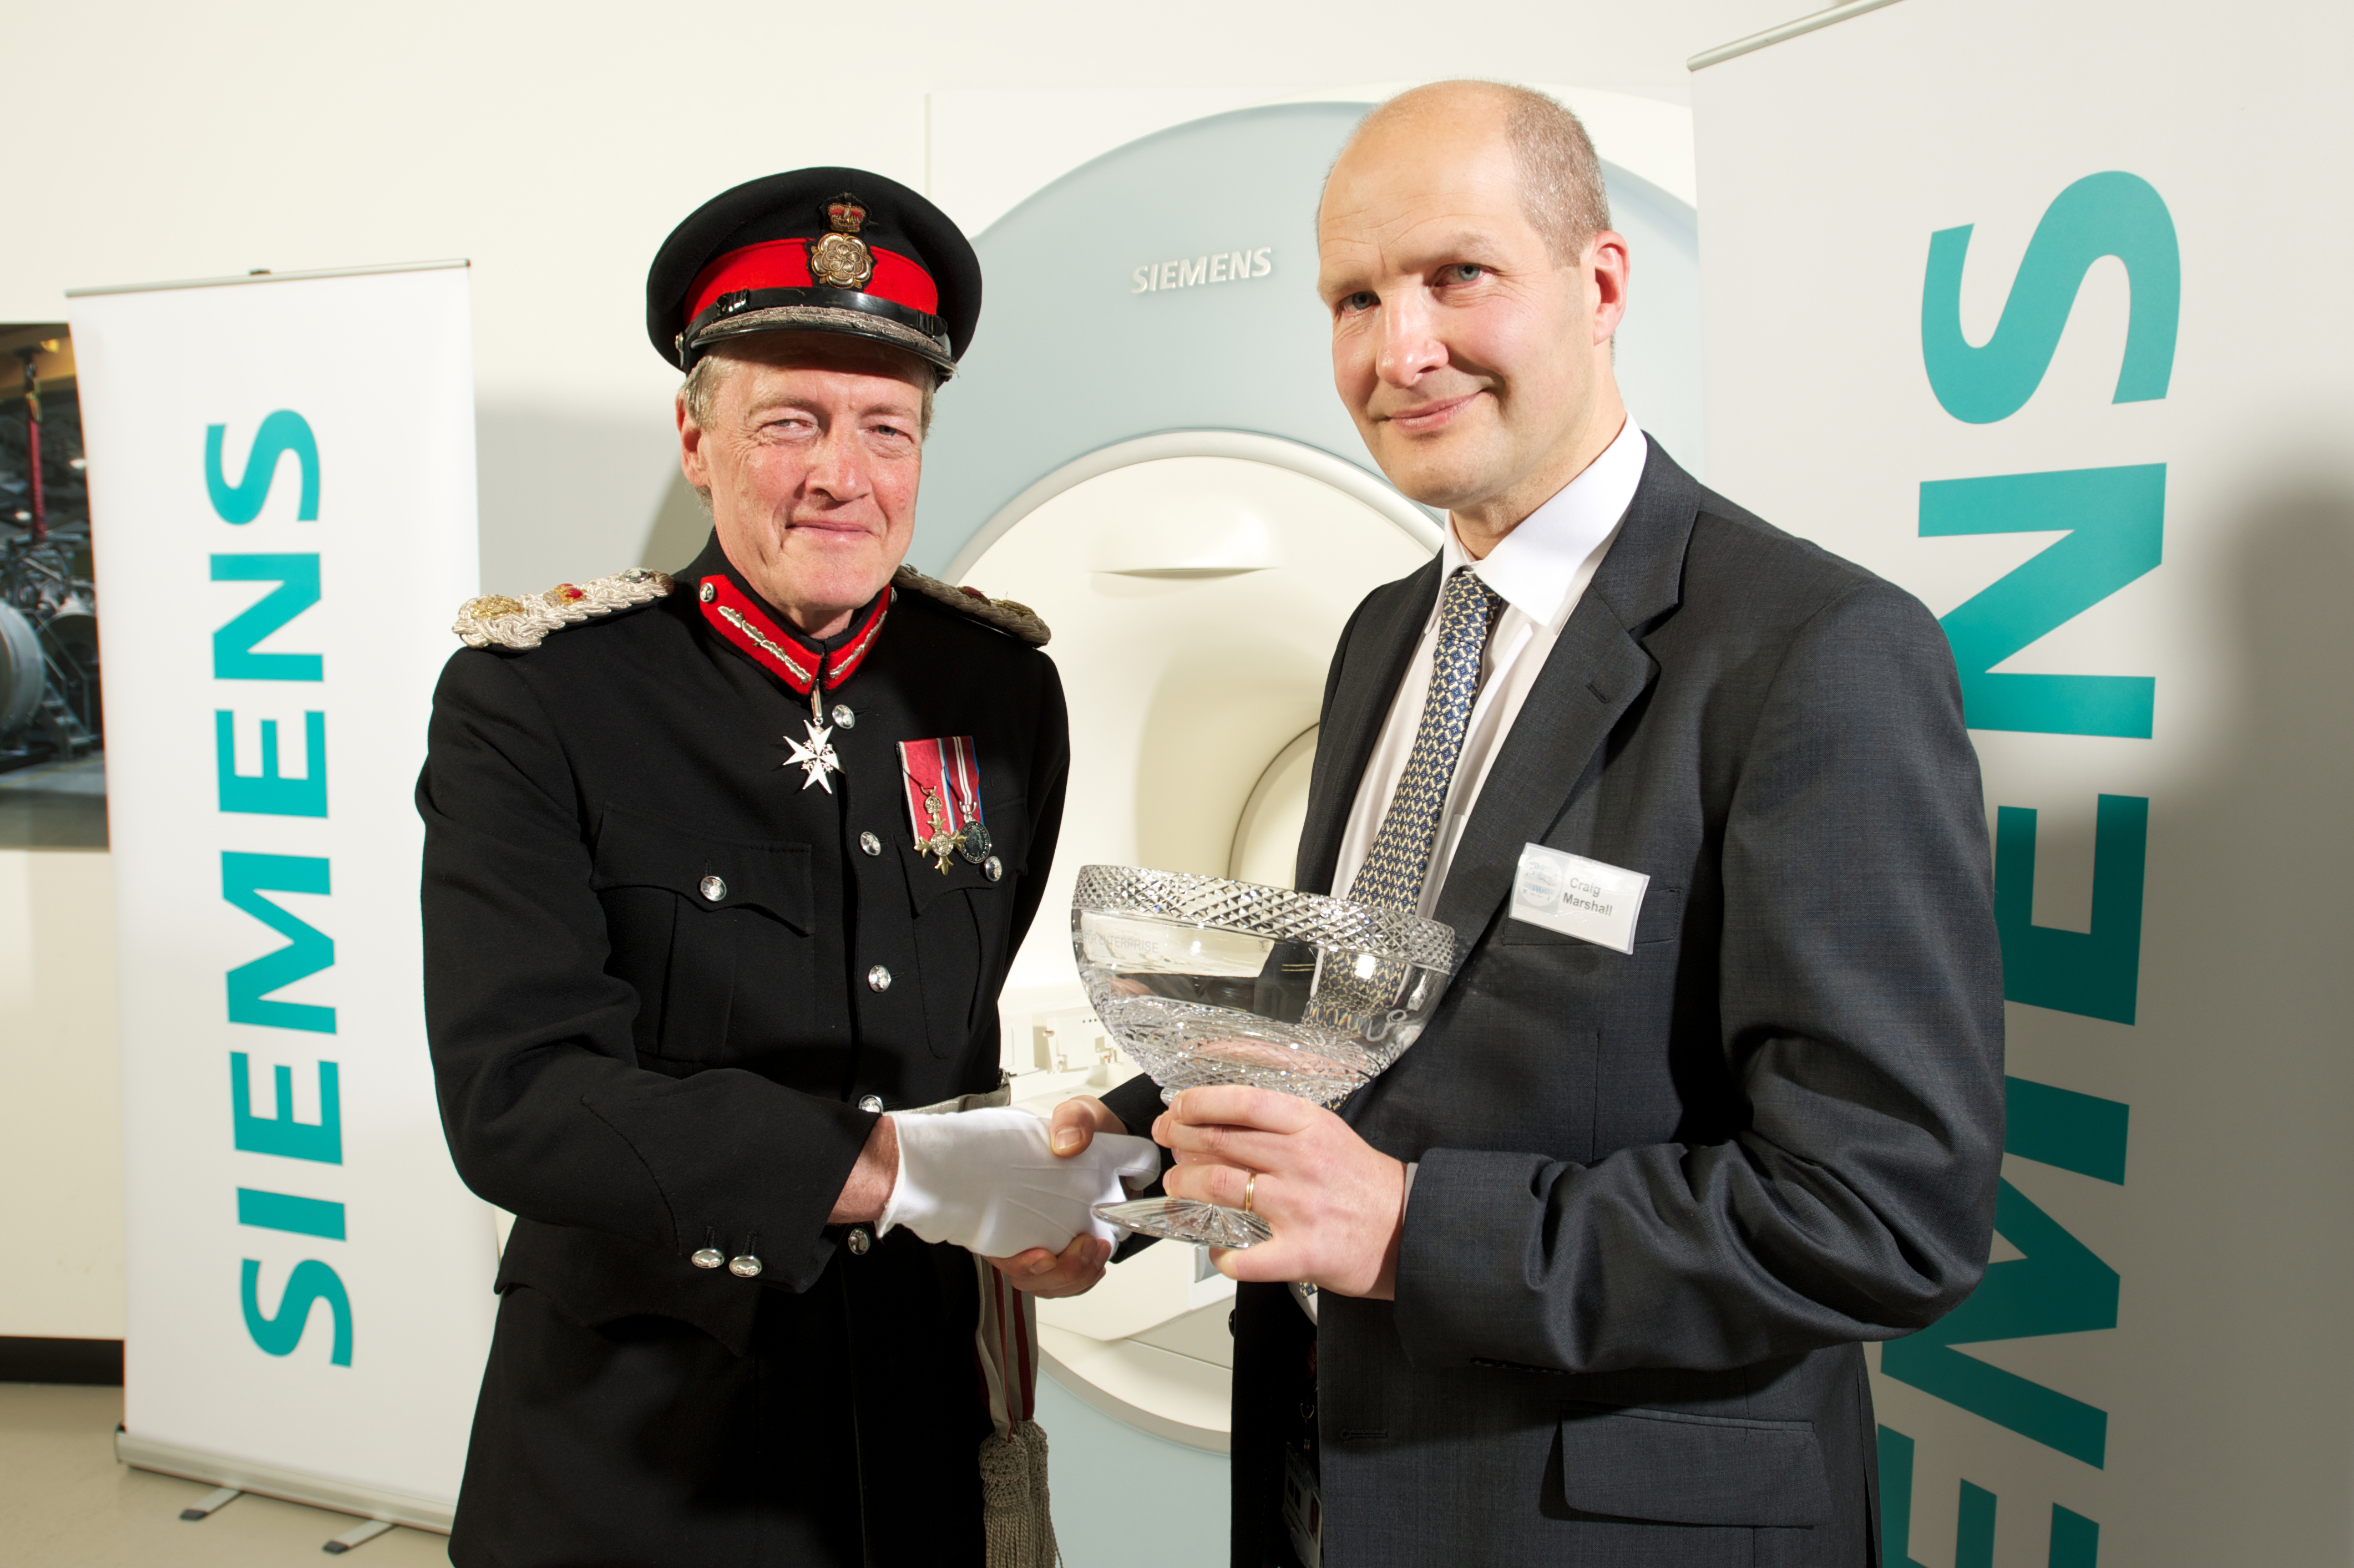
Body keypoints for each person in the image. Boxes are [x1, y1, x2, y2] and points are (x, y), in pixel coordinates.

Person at [1052, 82, 2006, 1565]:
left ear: (1600, 283)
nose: (1399, 349)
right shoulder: (1388, 633)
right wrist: (1119, 1158)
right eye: (1355, 298)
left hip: (1614, 1524)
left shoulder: (1810, 652)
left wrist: (1410, 1228)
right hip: (1335, 1481)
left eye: (1458, 274)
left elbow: (1884, 1211)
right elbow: (1355, 1013)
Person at [418, 167, 1153, 1568]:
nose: (841, 474)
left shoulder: (999, 691)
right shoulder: (541, 702)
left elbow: (959, 1030)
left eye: (886, 427)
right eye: (790, 422)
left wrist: (1053, 1191)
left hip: (921, 1410)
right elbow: (517, 1100)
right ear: (695, 440)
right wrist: (904, 1173)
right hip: (649, 1436)